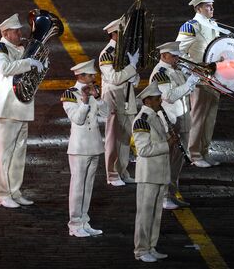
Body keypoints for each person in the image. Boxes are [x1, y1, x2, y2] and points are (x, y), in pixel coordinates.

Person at [0, 13, 44, 208]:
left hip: (22, 106)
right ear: (5, 32)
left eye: (20, 30)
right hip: (5, 108)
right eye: (16, 31)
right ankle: (2, 194)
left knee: (19, 154)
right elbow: (4, 68)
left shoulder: (22, 49)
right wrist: (29, 63)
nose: (20, 33)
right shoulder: (0, 47)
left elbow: (31, 73)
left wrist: (40, 64)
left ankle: (14, 191)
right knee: (4, 155)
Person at [61, 59, 109, 237]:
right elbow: (78, 119)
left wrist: (97, 98)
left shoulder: (94, 91)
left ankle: (84, 220)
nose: (94, 76)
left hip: (95, 145)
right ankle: (74, 224)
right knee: (78, 186)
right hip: (79, 147)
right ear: (81, 76)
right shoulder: (70, 94)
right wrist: (85, 101)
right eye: (90, 75)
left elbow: (106, 114)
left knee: (88, 186)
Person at [149, 42, 200, 209]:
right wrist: (189, 83)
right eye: (174, 55)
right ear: (164, 56)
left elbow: (185, 92)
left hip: (182, 119)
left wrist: (190, 80)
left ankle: (172, 193)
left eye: (177, 55)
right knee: (168, 161)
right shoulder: (161, 73)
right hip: (170, 122)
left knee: (177, 162)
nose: (177, 58)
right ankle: (164, 197)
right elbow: (169, 96)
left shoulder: (174, 70)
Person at [176, 0, 221, 168]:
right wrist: (192, 70)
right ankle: (194, 154)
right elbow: (179, 52)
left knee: (210, 117)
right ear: (198, 8)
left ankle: (204, 151)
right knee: (198, 116)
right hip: (199, 78)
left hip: (215, 77)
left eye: (212, 6)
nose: (212, 8)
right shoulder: (191, 26)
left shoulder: (213, 24)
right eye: (208, 6)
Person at [133, 81, 176, 263]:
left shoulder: (155, 117)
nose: (161, 101)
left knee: (156, 213)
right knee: (145, 214)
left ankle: (151, 246)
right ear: (148, 100)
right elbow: (143, 150)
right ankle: (141, 250)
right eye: (158, 99)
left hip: (159, 172)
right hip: (148, 174)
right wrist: (168, 144)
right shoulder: (142, 121)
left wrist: (168, 139)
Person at [99, 18, 140, 186]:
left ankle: (122, 171)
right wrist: (131, 68)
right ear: (114, 34)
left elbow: (132, 76)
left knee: (125, 137)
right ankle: (112, 174)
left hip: (127, 96)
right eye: (122, 33)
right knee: (113, 138)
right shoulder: (107, 54)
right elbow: (114, 78)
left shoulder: (124, 52)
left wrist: (134, 74)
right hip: (114, 98)